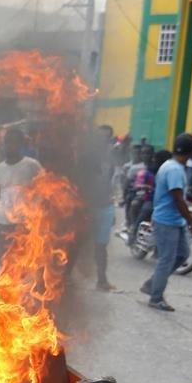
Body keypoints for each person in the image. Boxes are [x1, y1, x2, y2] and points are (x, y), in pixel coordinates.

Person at [140, 134, 192, 311]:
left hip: (175, 221)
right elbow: (178, 199)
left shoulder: (170, 165)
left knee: (182, 254)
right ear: (190, 153)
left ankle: (151, 284)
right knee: (166, 260)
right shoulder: (174, 169)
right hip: (167, 221)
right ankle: (156, 297)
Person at [0, 128, 42, 266]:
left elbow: (42, 191)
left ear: (21, 145)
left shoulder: (32, 166)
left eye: (14, 143)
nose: (10, 146)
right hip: (1, 222)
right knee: (2, 263)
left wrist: (39, 218)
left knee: (20, 263)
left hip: (23, 223)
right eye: (7, 143)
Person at [83, 124, 118, 290]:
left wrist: (112, 208)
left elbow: (110, 183)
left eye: (106, 137)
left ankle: (102, 280)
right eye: (99, 137)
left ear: (110, 139)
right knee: (77, 243)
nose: (102, 140)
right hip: (88, 207)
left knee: (101, 246)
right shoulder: (86, 156)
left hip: (105, 207)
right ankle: (65, 277)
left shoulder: (111, 159)